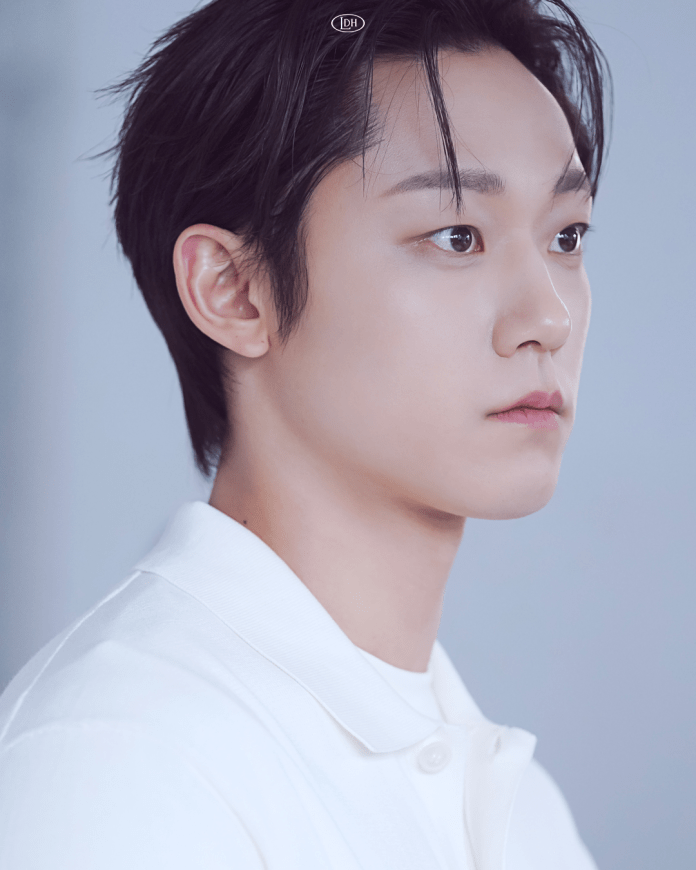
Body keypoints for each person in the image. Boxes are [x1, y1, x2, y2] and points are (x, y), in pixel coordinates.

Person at [0, 0, 611, 867]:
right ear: (233, 290)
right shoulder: (120, 764)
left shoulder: (522, 812)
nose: (547, 317)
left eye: (567, 236)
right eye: (456, 236)